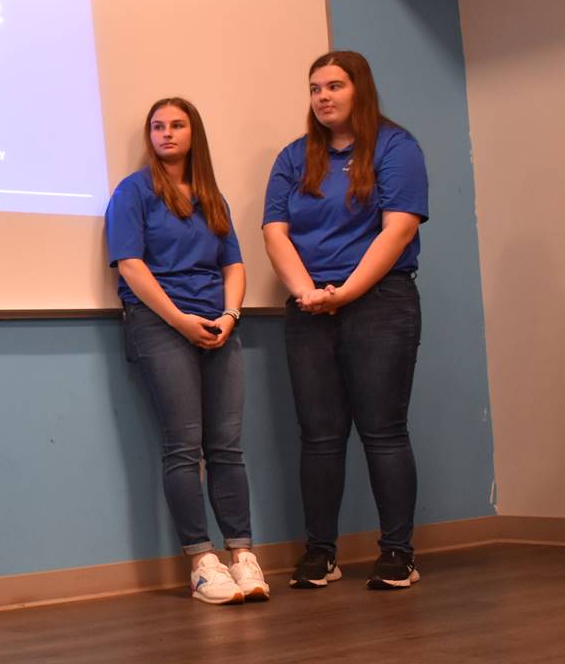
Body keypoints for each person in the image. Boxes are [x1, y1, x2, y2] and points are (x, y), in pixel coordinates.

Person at [263, 50, 429, 591]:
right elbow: (275, 232)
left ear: (360, 89)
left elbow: (398, 229)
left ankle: (398, 554)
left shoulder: (397, 147)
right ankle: (320, 554)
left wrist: (348, 292)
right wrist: (308, 294)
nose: (323, 97)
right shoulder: (294, 157)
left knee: (383, 431)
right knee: (319, 436)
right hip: (310, 305)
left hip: (380, 302)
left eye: (334, 86)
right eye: (315, 88)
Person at [106, 98, 267, 605]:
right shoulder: (133, 192)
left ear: (193, 133)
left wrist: (229, 316)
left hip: (218, 326)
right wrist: (180, 320)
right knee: (183, 447)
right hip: (160, 324)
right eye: (157, 126)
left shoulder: (211, 197)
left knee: (227, 447)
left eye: (177, 125)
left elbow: (234, 265)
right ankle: (201, 563)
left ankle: (241, 555)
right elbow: (130, 265)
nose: (167, 133)